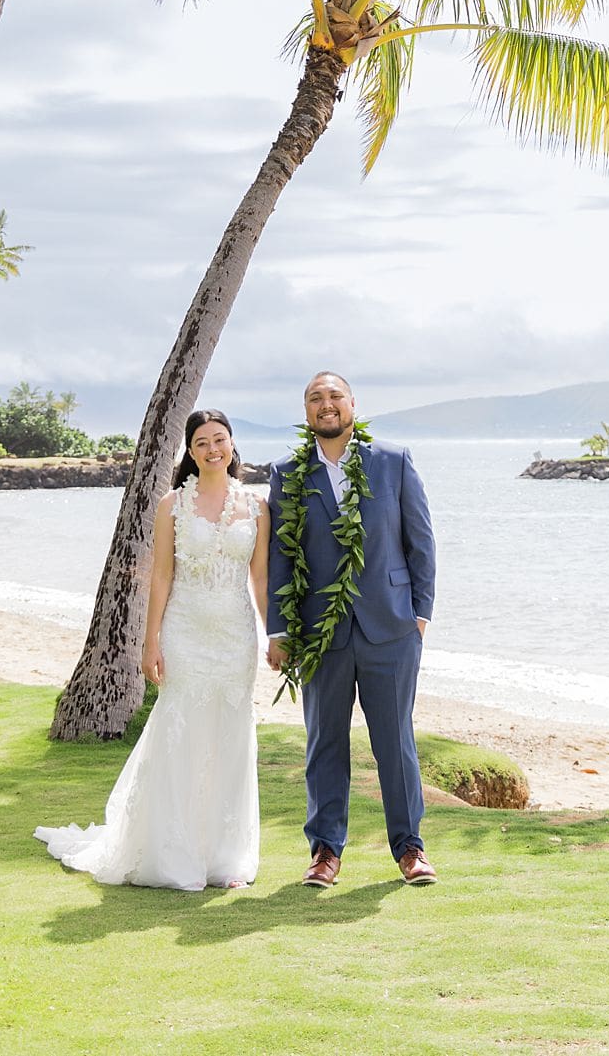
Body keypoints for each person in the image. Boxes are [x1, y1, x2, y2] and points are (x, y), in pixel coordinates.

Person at [36, 409, 269, 889]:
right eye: (201, 441)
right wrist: (151, 641)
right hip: (185, 631)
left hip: (236, 636)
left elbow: (260, 578)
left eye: (219, 439)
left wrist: (276, 636)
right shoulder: (171, 505)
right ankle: (174, 852)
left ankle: (224, 858)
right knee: (181, 732)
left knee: (230, 736)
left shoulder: (258, 507)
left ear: (232, 445)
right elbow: (160, 576)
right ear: (190, 450)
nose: (212, 449)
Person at [266, 371, 437, 886]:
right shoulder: (287, 472)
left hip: (392, 626)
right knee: (324, 744)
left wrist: (421, 614)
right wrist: (279, 630)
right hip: (322, 633)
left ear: (352, 404)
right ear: (306, 412)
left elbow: (421, 541)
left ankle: (410, 849)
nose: (326, 404)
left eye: (334, 395)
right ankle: (324, 851)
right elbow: (280, 554)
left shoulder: (393, 461)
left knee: (395, 743)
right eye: (315, 398)